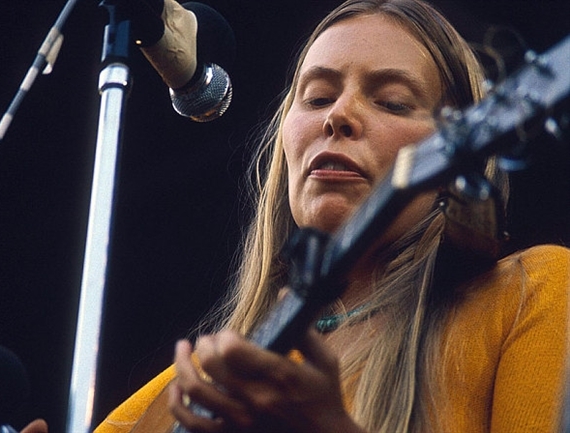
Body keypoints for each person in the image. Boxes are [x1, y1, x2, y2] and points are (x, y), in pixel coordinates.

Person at [93, 0, 570, 432]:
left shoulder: (529, 294)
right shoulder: (201, 381)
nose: (337, 116)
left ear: (458, 154)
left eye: (392, 102)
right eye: (318, 97)